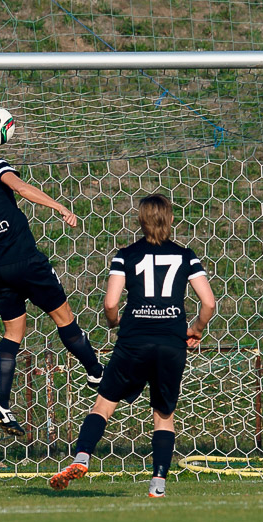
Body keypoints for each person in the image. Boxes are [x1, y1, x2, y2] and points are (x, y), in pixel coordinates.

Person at [49, 193, 216, 497]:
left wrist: (114, 322)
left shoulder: (125, 255)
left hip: (134, 341)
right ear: (171, 220)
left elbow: (111, 303)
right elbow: (209, 302)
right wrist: (196, 330)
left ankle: (82, 457)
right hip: (171, 343)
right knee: (163, 416)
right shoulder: (186, 255)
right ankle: (158, 485)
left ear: (140, 221)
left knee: (104, 405)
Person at [0, 124, 104, 437]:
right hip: (27, 261)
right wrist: (59, 206)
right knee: (63, 318)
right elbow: (20, 188)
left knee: (13, 332)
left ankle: (2, 403)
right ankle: (97, 373)